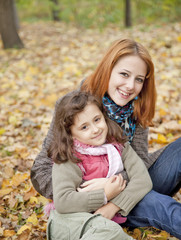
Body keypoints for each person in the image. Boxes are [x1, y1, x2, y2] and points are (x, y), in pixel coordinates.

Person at [31, 38, 181, 239]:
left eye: (139, 79)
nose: (130, 86)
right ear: (108, 70)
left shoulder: (136, 108)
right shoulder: (73, 107)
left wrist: (113, 189)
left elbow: (140, 165)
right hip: (88, 199)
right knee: (163, 208)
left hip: (132, 185)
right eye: (124, 74)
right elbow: (41, 169)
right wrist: (93, 191)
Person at [46, 90, 152, 240]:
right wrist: (104, 195)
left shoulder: (118, 145)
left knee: (111, 231)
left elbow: (143, 180)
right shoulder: (68, 157)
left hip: (105, 221)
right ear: (70, 134)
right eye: (84, 127)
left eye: (97, 120)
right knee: (111, 233)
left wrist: (113, 205)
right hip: (70, 223)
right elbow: (63, 202)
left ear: (104, 116)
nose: (95, 129)